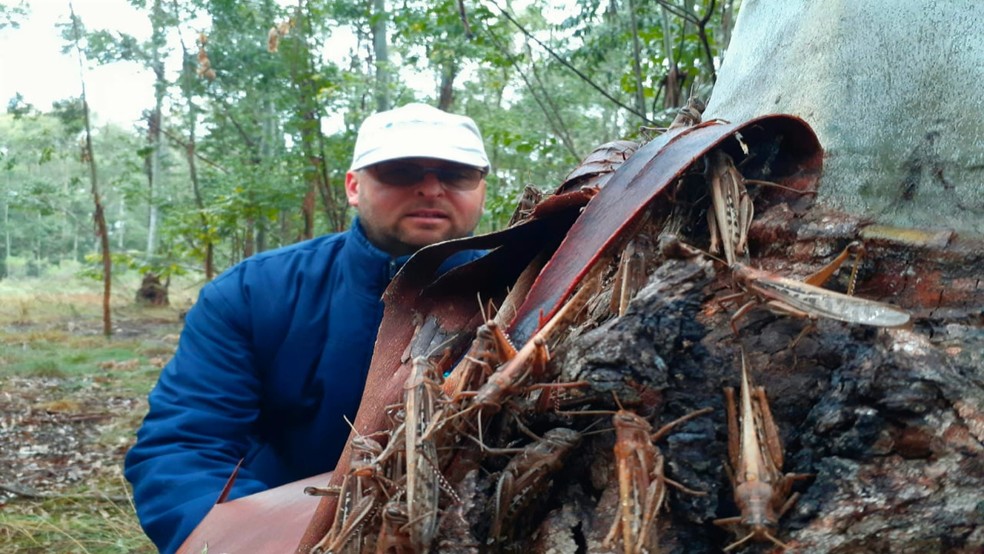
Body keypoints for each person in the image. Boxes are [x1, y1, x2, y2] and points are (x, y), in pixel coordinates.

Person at [124, 103, 490, 553]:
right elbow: (183, 449)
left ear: (481, 191)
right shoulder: (254, 292)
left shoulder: (538, 295)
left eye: (457, 175)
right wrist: (261, 542)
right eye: (401, 171)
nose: (431, 189)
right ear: (354, 187)